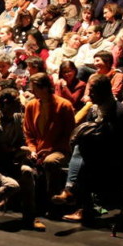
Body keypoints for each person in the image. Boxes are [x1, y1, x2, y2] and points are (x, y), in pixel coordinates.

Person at [52, 74, 123, 222]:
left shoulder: (119, 112)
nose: (89, 95)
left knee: (85, 159)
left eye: (93, 91)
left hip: (119, 158)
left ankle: (76, 197)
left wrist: (94, 141)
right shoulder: (94, 110)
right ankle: (76, 198)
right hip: (98, 155)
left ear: (104, 91)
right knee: (82, 148)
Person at [0, 88, 44, 231]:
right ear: (6, 103)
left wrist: (28, 150)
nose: (21, 104)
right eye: (17, 101)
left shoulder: (16, 118)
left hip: (7, 163)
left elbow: (21, 140)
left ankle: (29, 217)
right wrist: (21, 151)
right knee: (12, 185)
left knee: (27, 173)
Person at [23, 73, 75, 201]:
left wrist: (51, 149)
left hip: (59, 149)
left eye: (34, 88)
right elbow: (28, 132)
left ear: (45, 88)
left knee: (50, 161)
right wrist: (32, 149)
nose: (32, 91)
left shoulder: (64, 105)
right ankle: (20, 200)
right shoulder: (31, 105)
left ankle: (52, 200)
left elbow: (69, 134)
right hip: (37, 149)